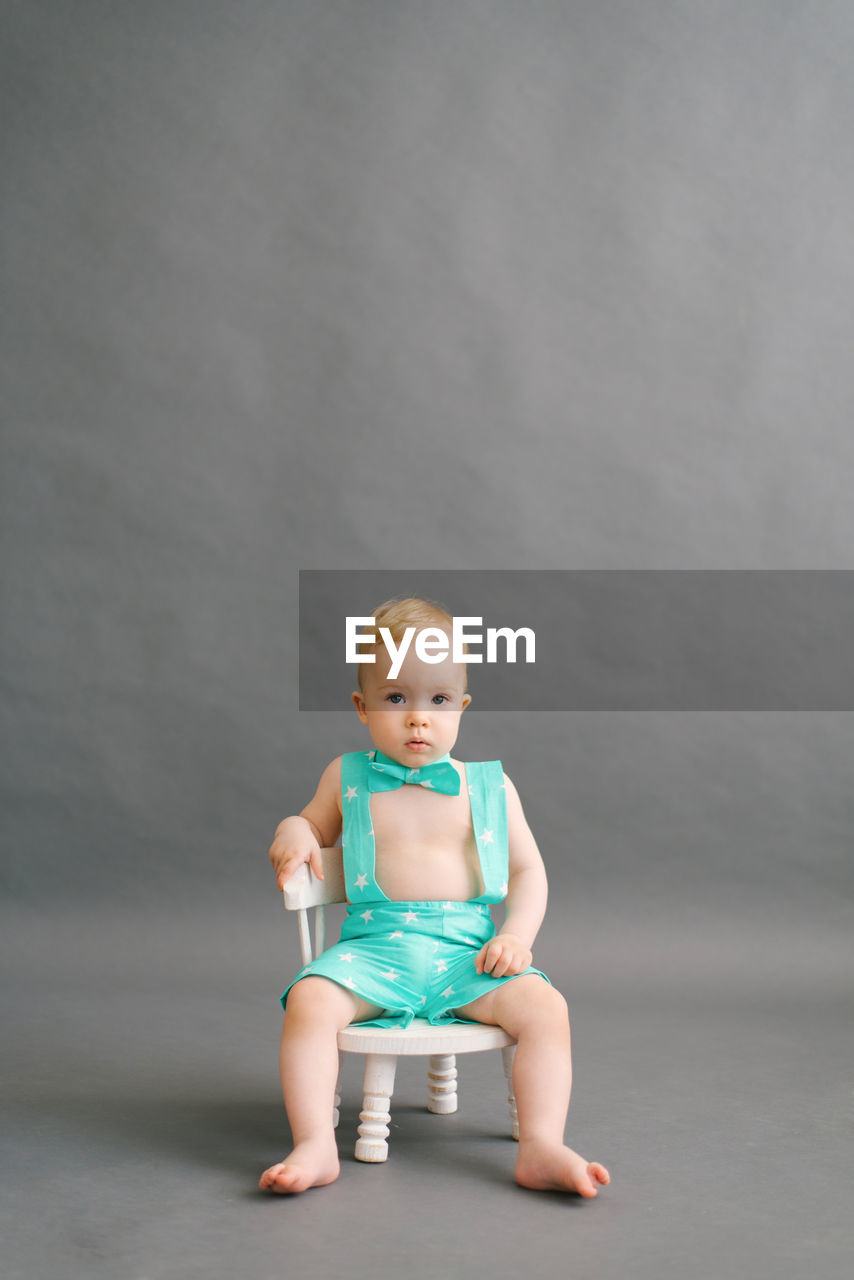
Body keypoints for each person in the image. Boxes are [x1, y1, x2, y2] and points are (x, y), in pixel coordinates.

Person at [260, 597, 610, 1197]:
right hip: (371, 954)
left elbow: (530, 873)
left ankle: (543, 1144)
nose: (418, 719)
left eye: (438, 701)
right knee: (309, 1005)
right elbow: (314, 829)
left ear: (462, 707)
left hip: (466, 956)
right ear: (362, 707)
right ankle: (315, 1142)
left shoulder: (489, 786)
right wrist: (294, 828)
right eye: (396, 699)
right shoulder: (346, 776)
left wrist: (515, 936)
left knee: (548, 1010)